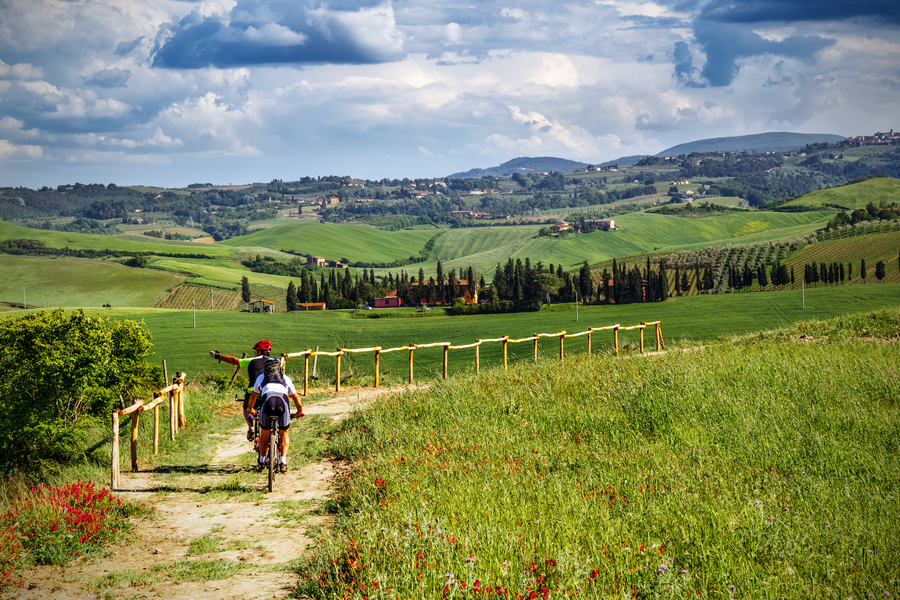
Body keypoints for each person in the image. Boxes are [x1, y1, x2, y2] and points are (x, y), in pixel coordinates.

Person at [248, 356, 304, 473]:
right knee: (284, 432)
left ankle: (262, 460)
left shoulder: (261, 377)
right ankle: (283, 461)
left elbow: (253, 396)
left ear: (265, 367)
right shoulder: (286, 378)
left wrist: (250, 408)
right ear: (279, 368)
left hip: (267, 403)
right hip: (282, 403)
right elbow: (295, 397)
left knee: (264, 433)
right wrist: (300, 411)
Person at [210, 340, 271, 441]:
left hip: (253, 391)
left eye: (256, 351)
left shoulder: (252, 361)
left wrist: (219, 356)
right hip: (268, 391)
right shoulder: (274, 362)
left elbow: (234, 360)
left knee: (246, 408)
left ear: (259, 352)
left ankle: (251, 426)